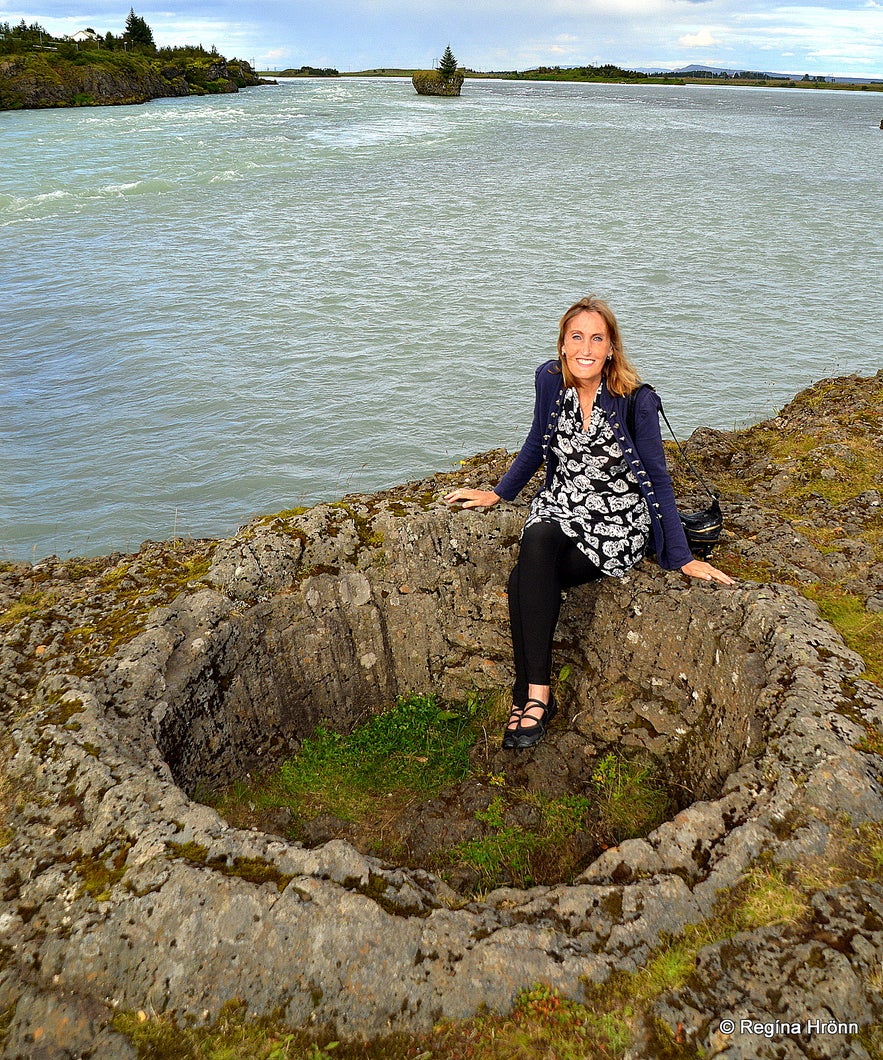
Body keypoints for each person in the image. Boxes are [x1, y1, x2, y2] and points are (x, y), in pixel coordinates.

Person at [444, 296, 734, 751]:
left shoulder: (636, 400)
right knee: (537, 537)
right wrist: (498, 493)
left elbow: (657, 478)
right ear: (562, 344)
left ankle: (527, 696)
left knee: (527, 578)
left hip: (618, 516)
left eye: (596, 338)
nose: (586, 347)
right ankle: (540, 694)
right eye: (576, 337)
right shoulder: (548, 381)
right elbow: (537, 443)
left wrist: (681, 557)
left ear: (611, 348)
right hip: (562, 505)